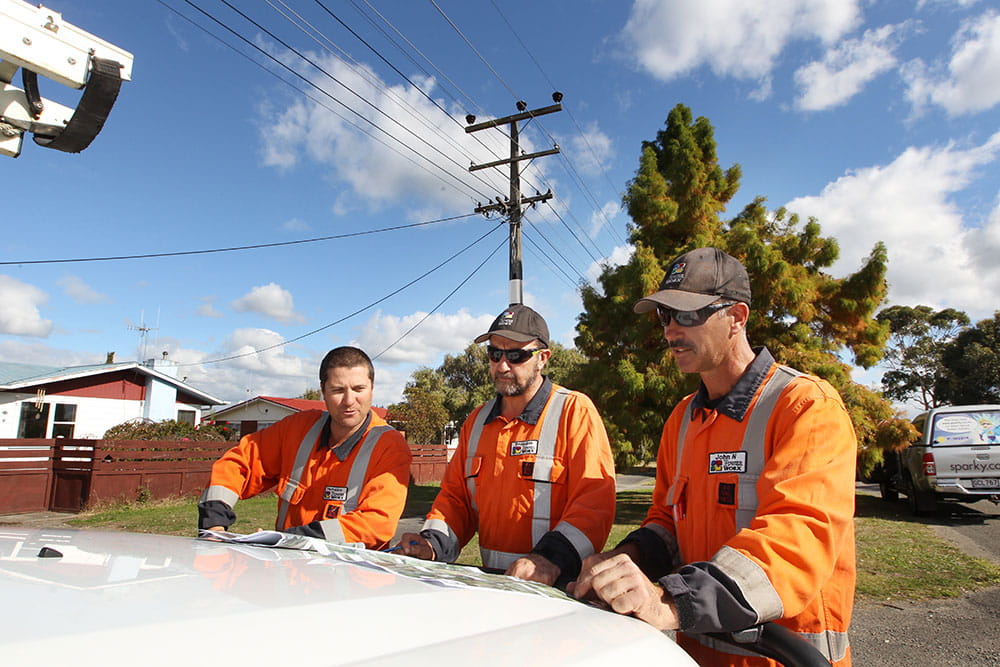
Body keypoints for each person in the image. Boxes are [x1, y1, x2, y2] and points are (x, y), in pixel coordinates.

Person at [570, 247, 856, 666]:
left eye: (687, 315)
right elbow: (666, 523)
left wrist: (669, 598)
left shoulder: (805, 406)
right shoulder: (682, 420)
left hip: (783, 660)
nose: (670, 331)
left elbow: (796, 538)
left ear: (737, 317)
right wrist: (624, 559)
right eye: (664, 316)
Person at [398, 304, 616, 587]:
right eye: (494, 353)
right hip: (496, 589)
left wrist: (548, 560)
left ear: (543, 359)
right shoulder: (476, 422)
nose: (502, 365)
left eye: (516, 355)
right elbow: (455, 500)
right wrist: (431, 544)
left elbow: (594, 504)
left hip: (560, 590)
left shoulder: (574, 411)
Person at [198, 346, 411, 550]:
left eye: (358, 389)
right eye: (337, 390)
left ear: (372, 389)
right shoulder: (297, 429)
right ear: (323, 392)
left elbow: (377, 523)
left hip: (353, 577)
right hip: (288, 573)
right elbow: (238, 464)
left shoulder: (389, 446)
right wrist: (214, 525)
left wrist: (293, 539)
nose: (349, 400)